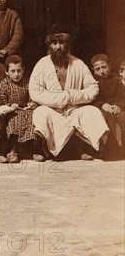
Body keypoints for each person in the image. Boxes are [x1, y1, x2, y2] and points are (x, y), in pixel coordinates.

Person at [30, 24, 108, 160]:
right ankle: (43, 151)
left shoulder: (78, 64)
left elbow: (92, 87)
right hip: (52, 109)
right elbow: (35, 91)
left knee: (92, 112)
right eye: (54, 43)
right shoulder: (42, 64)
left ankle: (83, 149)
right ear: (49, 46)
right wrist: (58, 100)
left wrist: (72, 96)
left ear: (67, 44)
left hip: (74, 109)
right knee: (41, 113)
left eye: (61, 43)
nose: (58, 47)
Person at [0, 55, 45, 163]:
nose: (16, 74)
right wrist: (10, 105)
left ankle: (34, 150)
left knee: (34, 119)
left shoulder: (29, 83)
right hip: (11, 112)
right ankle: (13, 150)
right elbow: (1, 101)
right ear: (6, 72)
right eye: (12, 71)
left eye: (19, 71)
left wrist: (32, 103)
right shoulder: (3, 85)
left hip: (27, 110)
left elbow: (33, 96)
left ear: (23, 70)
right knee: (14, 120)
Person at [90, 53, 125, 159]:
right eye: (98, 69)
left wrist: (117, 105)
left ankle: (122, 148)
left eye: (104, 67)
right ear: (94, 70)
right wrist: (102, 104)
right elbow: (92, 99)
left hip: (116, 107)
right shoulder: (93, 83)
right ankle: (108, 148)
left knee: (122, 117)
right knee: (106, 116)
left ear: (109, 65)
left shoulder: (117, 81)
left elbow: (121, 97)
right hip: (101, 108)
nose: (101, 71)